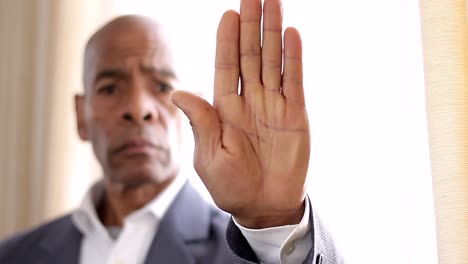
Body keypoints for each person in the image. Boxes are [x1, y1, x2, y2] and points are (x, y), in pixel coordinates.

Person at [0, 0, 343, 263]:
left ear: (192, 110)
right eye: (108, 88)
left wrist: (274, 220)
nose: (138, 108)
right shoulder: (13, 255)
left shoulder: (252, 252)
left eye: (162, 85)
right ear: (81, 115)